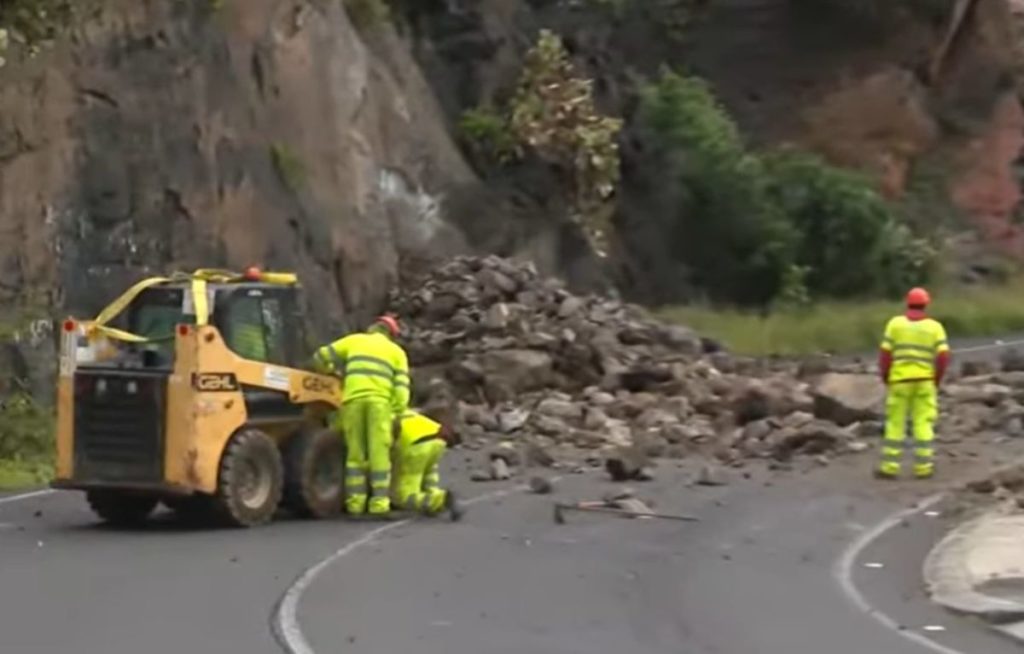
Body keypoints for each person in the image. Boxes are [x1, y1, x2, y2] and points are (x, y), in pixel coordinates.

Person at [312, 315, 410, 517]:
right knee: (378, 453)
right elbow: (401, 389)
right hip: (379, 404)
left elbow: (320, 357)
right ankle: (379, 504)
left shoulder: (354, 340)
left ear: (373, 328)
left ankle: (355, 504)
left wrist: (331, 372)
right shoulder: (396, 352)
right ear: (391, 335)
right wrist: (397, 413)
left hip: (352, 401)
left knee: (355, 453)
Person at [877, 287, 950, 480]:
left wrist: (886, 377)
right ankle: (923, 467)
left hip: (899, 381)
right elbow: (943, 357)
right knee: (923, 423)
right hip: (925, 381)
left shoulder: (895, 324)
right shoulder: (935, 327)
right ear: (926, 304)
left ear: (907, 302)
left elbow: (885, 355)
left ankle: (889, 467)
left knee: (895, 424)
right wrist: (936, 379)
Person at [391, 409, 463, 521]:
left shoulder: (380, 417)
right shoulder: (404, 411)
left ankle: (441, 500)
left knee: (404, 497)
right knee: (428, 473)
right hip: (437, 439)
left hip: (416, 445)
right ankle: (433, 495)